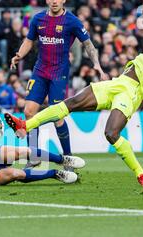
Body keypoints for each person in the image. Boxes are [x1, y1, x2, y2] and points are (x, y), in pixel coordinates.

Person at [5, 11, 143, 187]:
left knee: (111, 134)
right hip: (118, 83)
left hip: (131, 92)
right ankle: (24, 126)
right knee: (71, 103)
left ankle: (141, 174)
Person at [10, 0, 108, 169]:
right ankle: (34, 156)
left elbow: (88, 44)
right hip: (40, 71)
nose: (54, 1)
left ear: (63, 1)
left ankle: (68, 159)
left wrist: (97, 64)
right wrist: (19, 54)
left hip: (59, 73)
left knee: (58, 116)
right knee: (28, 112)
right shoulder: (38, 19)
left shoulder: (72, 21)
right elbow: (29, 40)